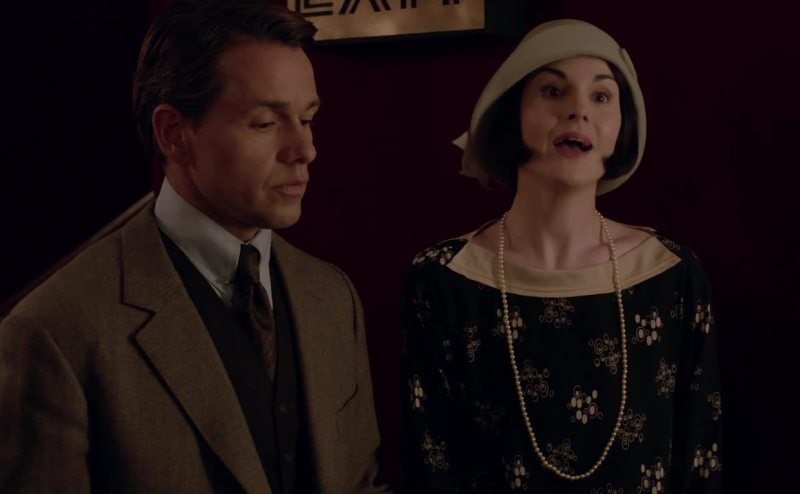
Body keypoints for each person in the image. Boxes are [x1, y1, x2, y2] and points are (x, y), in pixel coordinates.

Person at [0, 1, 388, 493]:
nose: (304, 150)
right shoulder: (55, 330)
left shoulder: (331, 296)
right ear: (174, 133)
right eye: (265, 123)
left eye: (307, 118)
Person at [401, 19, 722, 493]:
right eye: (553, 91)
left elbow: (699, 461)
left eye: (601, 96)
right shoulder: (443, 278)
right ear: (512, 113)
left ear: (621, 127)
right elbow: (431, 465)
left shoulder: (671, 274)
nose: (578, 111)